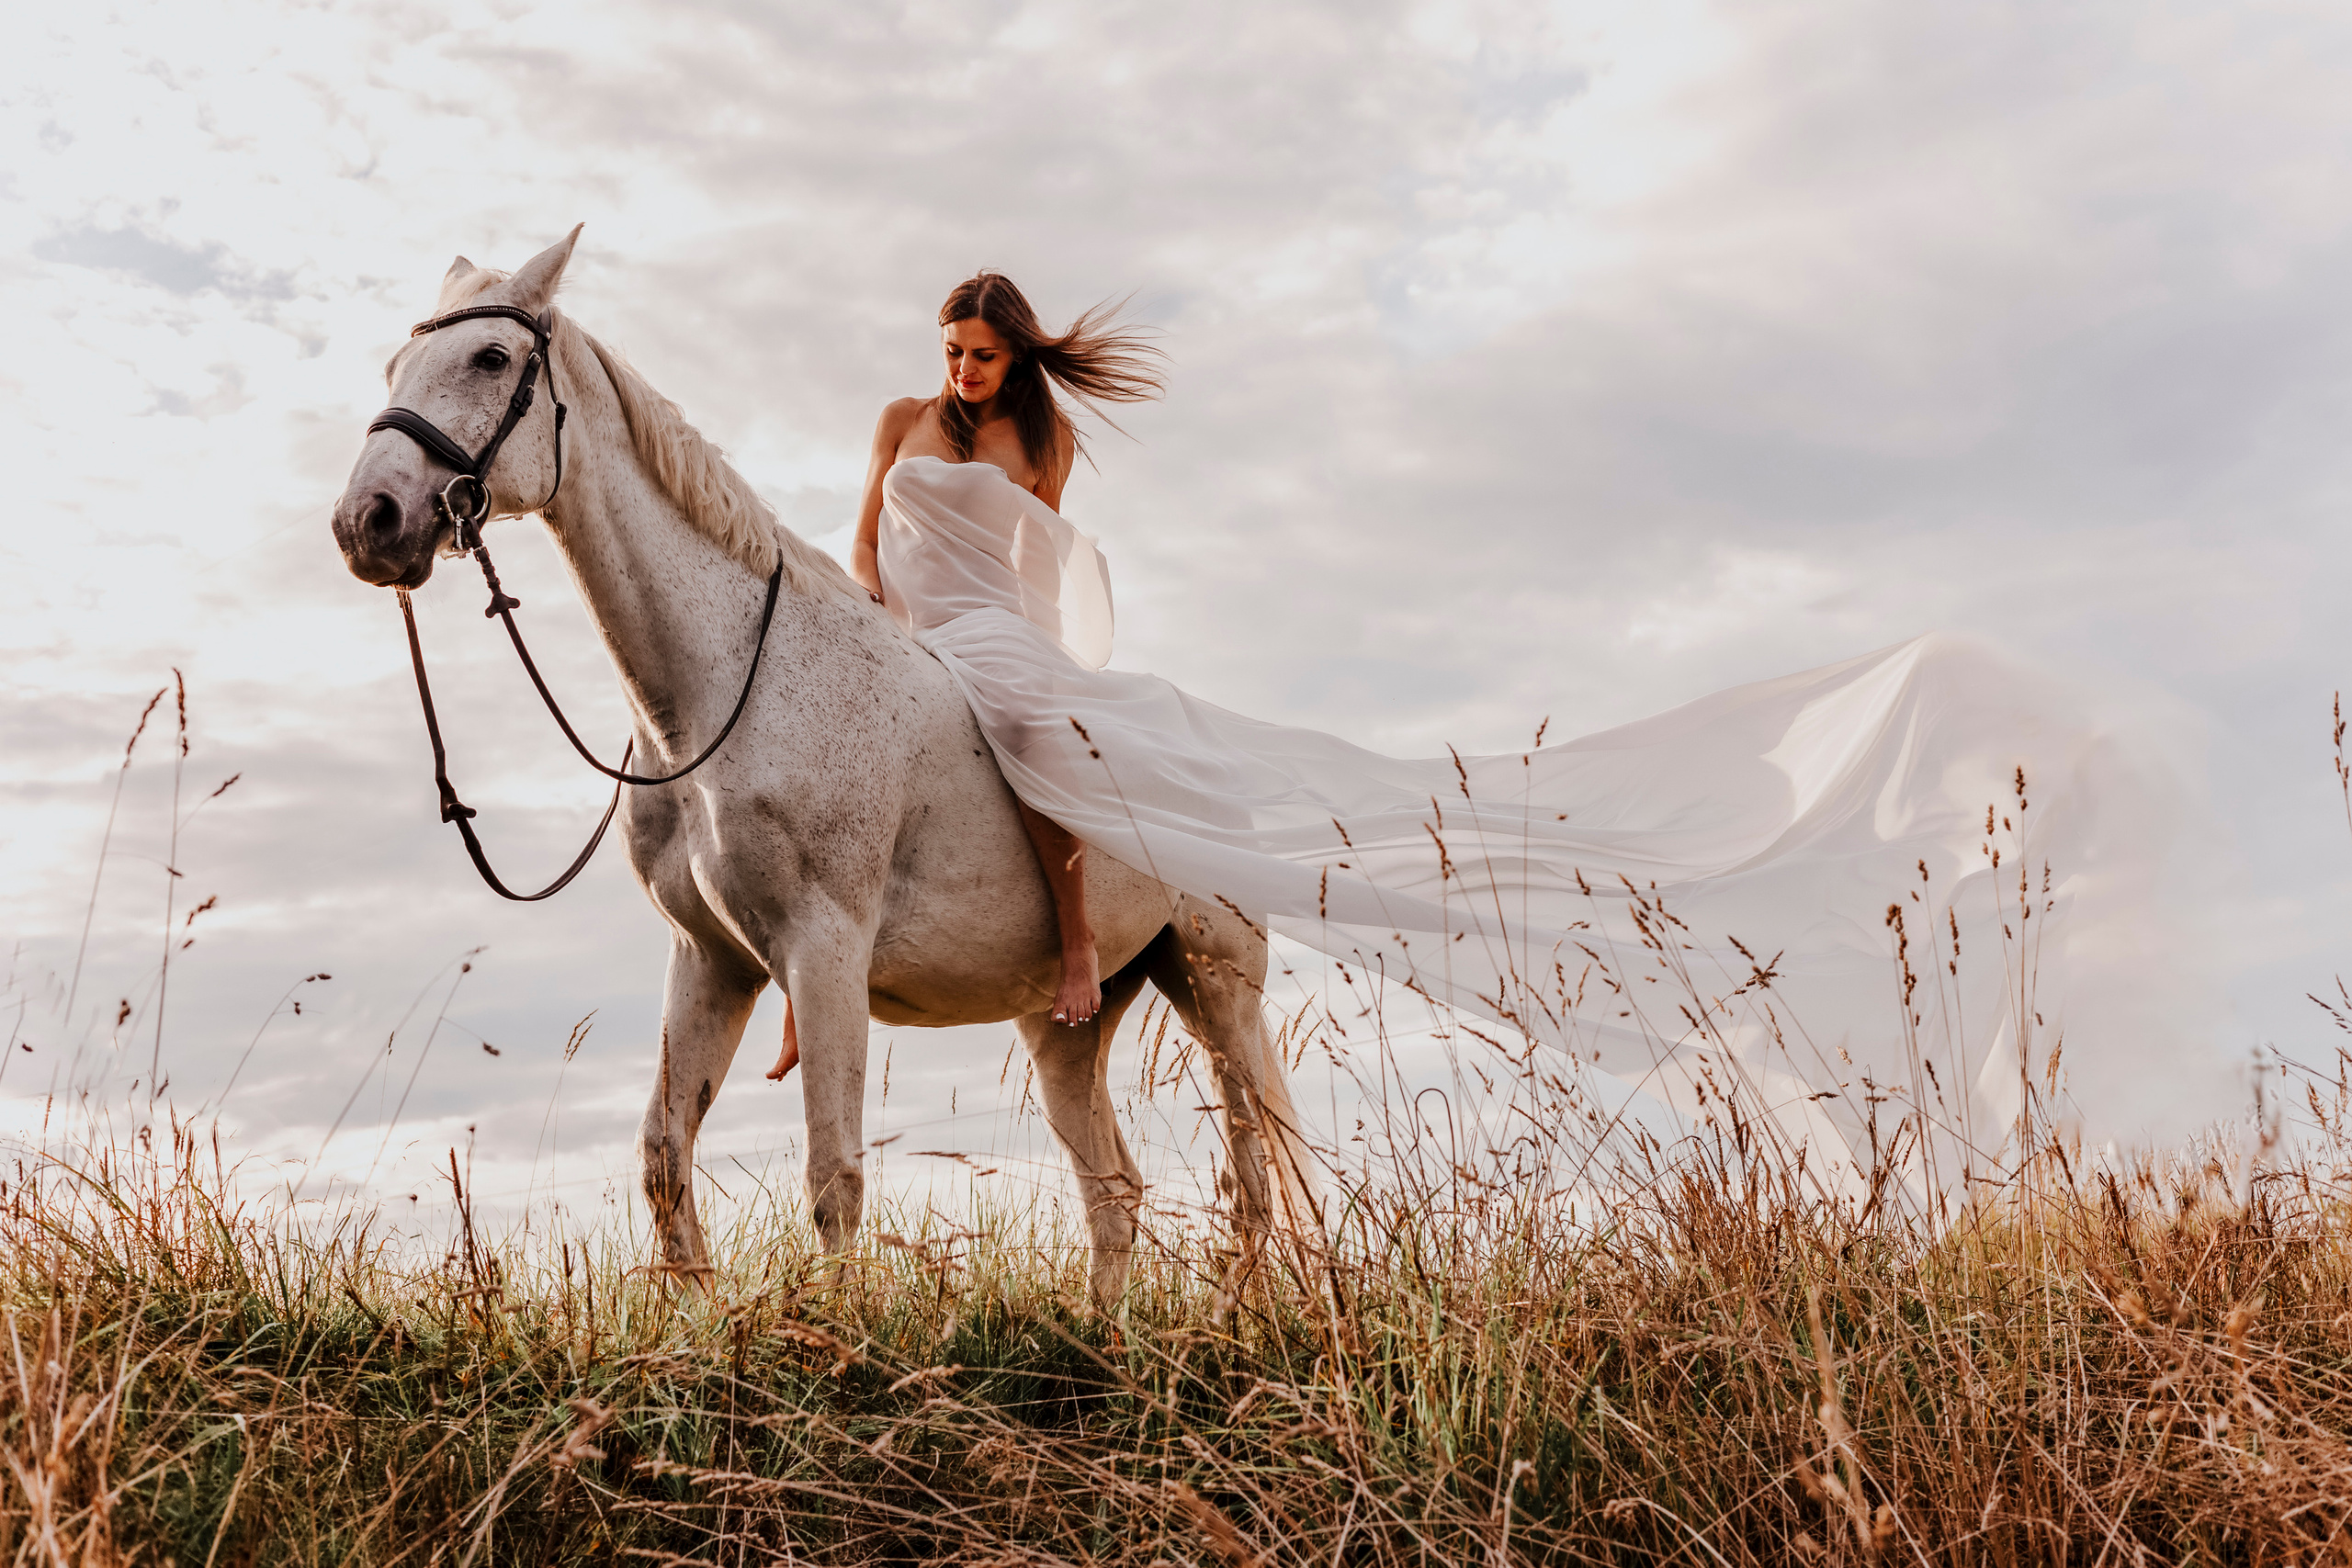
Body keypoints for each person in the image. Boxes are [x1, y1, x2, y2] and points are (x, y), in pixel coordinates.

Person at [768, 271, 2232, 1176]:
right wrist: (886, 630)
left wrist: (1018, 652)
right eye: (949, 355)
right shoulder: (901, 421)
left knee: (1047, 745)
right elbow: (856, 546)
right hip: (905, 632)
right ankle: (800, 975)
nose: (960, 375)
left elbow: (1043, 564)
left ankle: (1077, 941)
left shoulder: (1045, 435)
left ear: (1016, 359)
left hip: (1000, 644)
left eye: (979, 357)